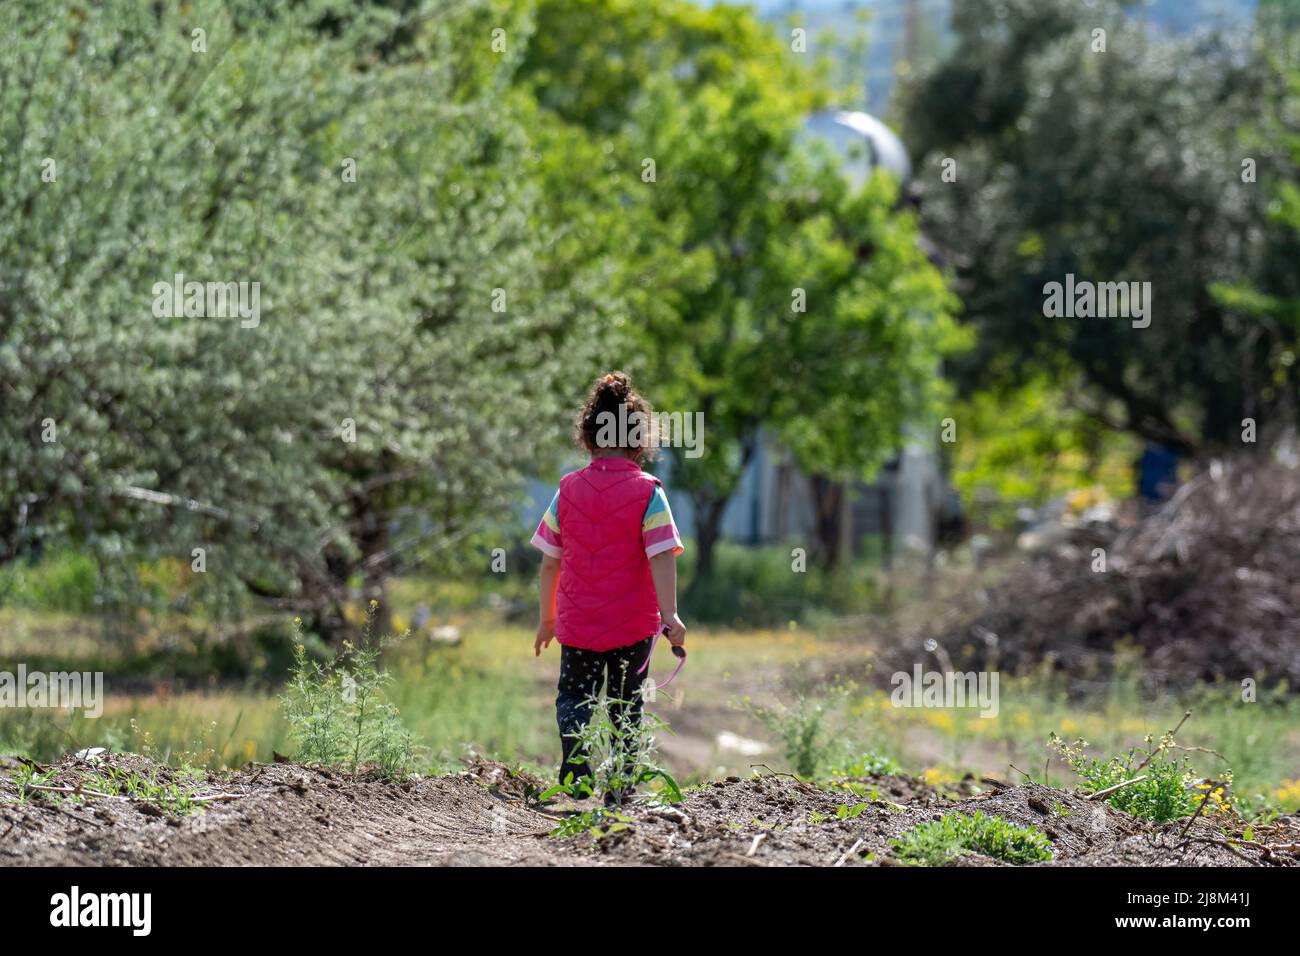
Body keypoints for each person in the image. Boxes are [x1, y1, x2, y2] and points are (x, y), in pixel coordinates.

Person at [530, 371, 686, 804]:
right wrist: (670, 615)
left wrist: (547, 619)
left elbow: (548, 562)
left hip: (577, 624)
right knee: (625, 707)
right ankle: (620, 789)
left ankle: (577, 768)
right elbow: (661, 555)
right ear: (639, 440)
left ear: (587, 435)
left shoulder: (567, 491)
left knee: (575, 696)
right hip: (632, 627)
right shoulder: (649, 493)